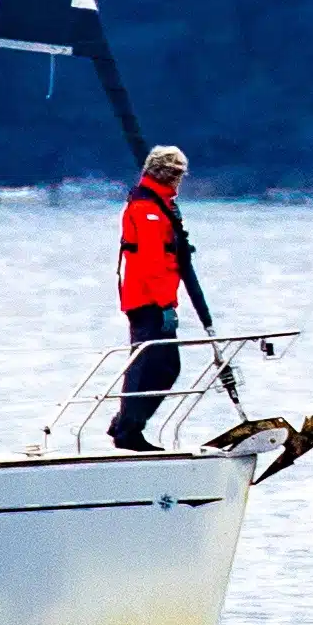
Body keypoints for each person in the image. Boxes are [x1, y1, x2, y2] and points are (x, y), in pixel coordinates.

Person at [110, 143, 213, 452]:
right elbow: (153, 263)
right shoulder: (147, 209)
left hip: (153, 300)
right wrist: (166, 304)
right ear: (170, 175)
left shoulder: (158, 204)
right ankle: (127, 429)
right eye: (178, 175)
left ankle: (127, 425)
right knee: (151, 365)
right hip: (149, 302)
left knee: (164, 366)